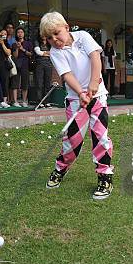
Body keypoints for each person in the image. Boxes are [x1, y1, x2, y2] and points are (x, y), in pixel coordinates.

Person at [40, 11, 114, 200]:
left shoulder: (83, 36)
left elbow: (95, 58)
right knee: (72, 141)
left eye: (57, 33)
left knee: (100, 136)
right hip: (76, 101)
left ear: (67, 27)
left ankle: (105, 176)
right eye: (49, 37)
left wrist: (93, 84)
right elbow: (67, 75)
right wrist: (81, 93)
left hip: (98, 97)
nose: (55, 39)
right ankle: (60, 168)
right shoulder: (56, 53)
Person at [12, 27, 33, 107]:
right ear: (16, 34)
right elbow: (15, 56)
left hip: (25, 64)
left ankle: (24, 101)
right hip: (17, 64)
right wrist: (17, 48)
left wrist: (22, 49)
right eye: (18, 32)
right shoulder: (14, 44)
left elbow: (30, 54)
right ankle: (15, 101)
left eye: (21, 32)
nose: (20, 34)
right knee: (15, 83)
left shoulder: (28, 43)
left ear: (24, 34)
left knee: (25, 83)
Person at [34, 33, 53, 105]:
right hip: (39, 64)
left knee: (47, 83)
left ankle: (46, 101)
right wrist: (47, 53)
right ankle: (39, 101)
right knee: (39, 83)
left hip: (49, 64)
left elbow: (53, 52)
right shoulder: (37, 42)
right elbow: (38, 53)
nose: (43, 35)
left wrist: (44, 53)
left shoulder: (50, 42)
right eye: (42, 33)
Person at [0, 28, 13, 105]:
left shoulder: (7, 44)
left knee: (4, 82)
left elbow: (8, 53)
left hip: (4, 65)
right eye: (2, 34)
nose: (3, 35)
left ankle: (4, 100)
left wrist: (2, 44)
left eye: (5, 34)